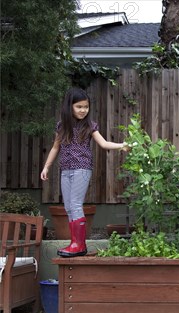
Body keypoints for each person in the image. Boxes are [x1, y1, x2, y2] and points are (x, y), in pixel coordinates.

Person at [41, 87, 128, 257]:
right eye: (79, 106)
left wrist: (121, 146)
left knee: (75, 204)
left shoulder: (90, 125)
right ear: (70, 107)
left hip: (82, 169)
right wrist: (46, 167)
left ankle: (79, 245)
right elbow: (55, 147)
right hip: (65, 170)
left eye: (86, 107)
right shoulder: (62, 126)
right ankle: (75, 243)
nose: (83, 110)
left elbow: (103, 144)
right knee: (68, 207)